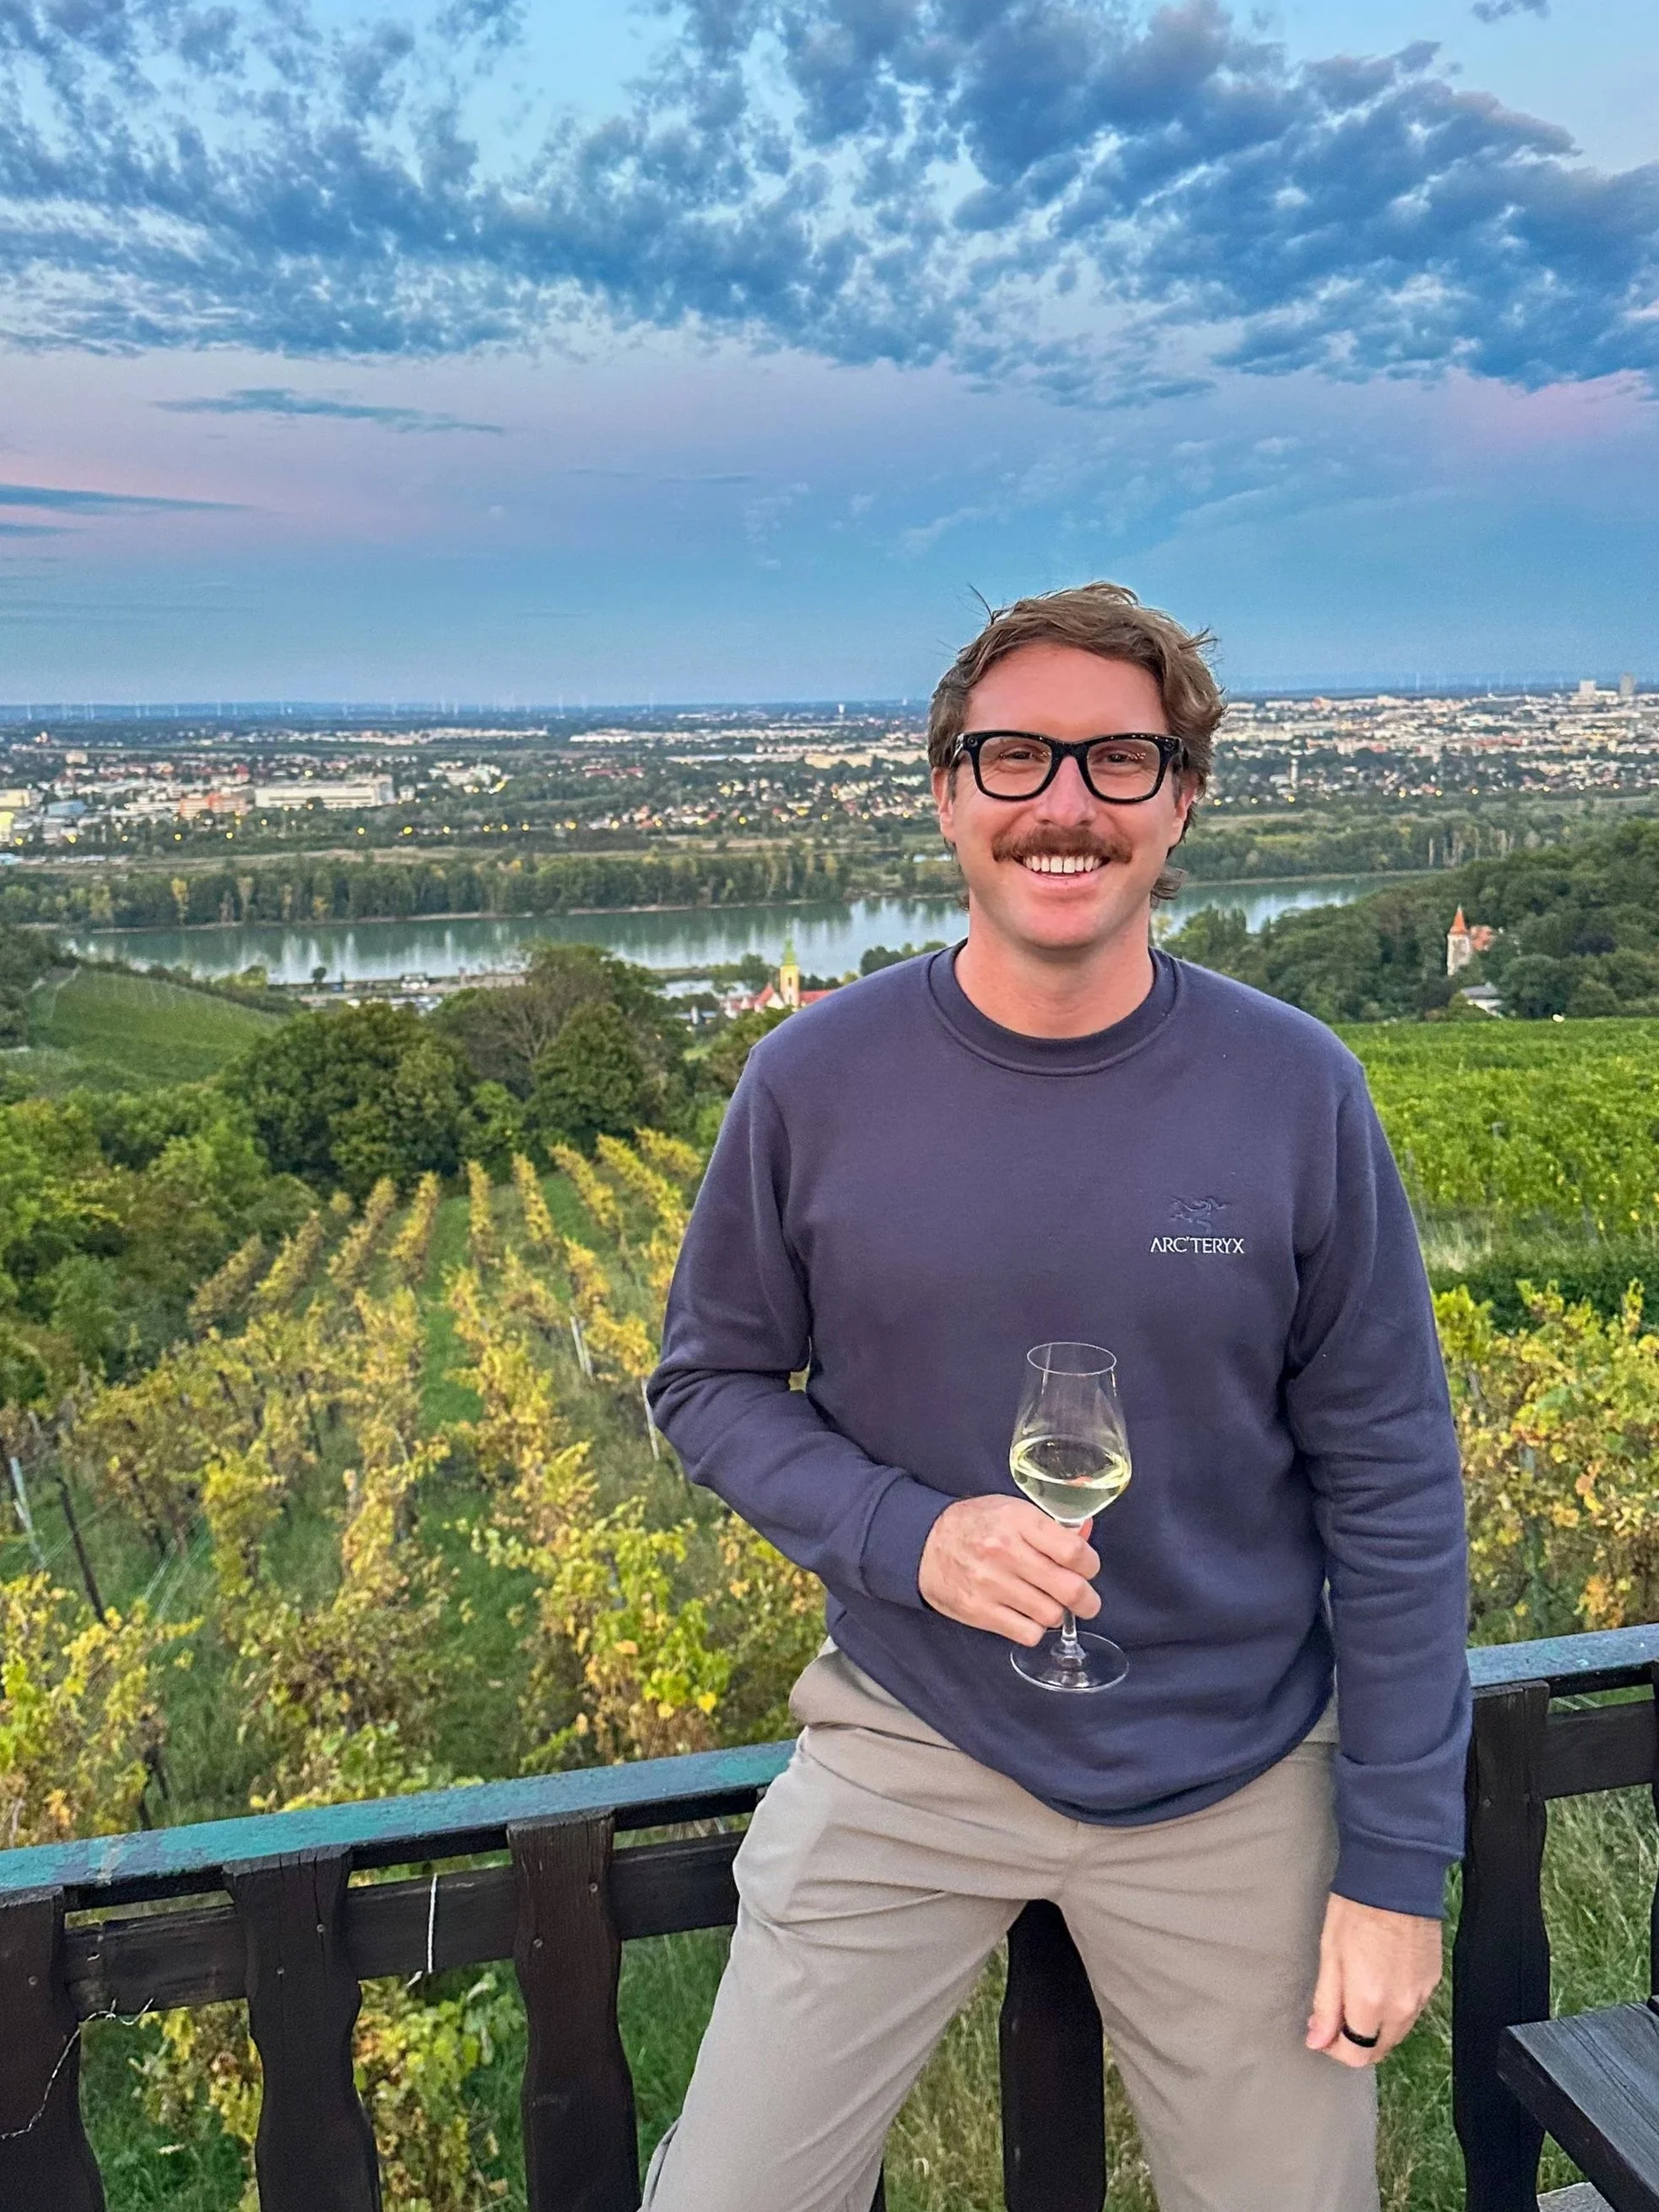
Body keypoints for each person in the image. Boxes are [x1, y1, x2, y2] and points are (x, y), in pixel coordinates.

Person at [645, 582, 1470, 2212]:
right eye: (1015, 757)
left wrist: (1392, 1867)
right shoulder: (812, 1080)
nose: (1065, 804)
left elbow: (1391, 1484)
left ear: (1181, 803)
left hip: (1237, 1771)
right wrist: (908, 1539)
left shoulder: (1294, 1088)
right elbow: (710, 1382)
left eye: (1119, 761)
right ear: (948, 791)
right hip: (910, 1737)